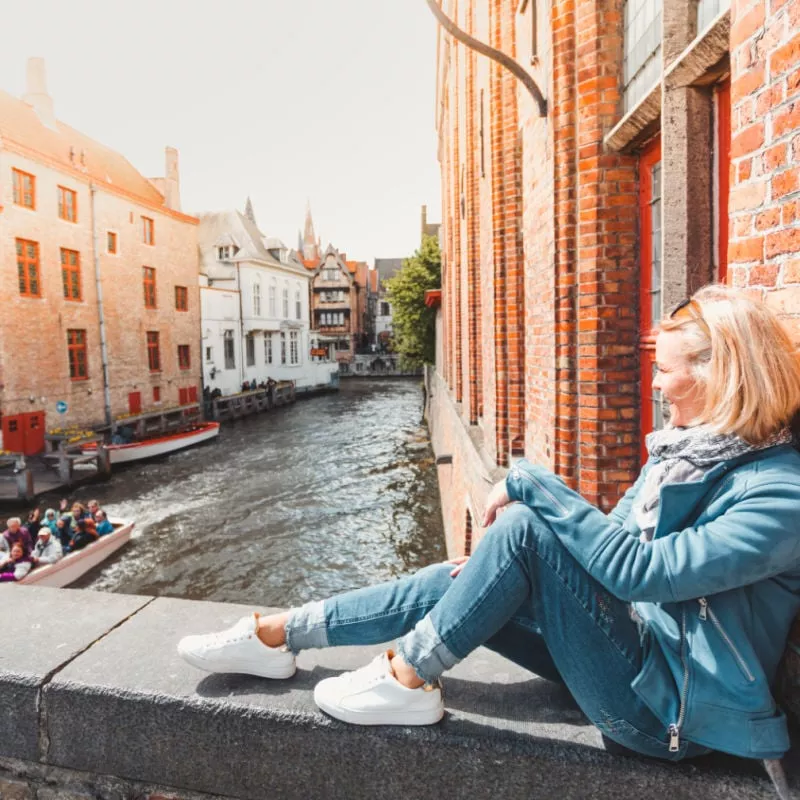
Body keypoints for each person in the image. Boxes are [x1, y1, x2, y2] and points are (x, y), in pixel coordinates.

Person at [178, 286, 800, 787]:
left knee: (525, 529)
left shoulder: (779, 494)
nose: (655, 385)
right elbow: (605, 546)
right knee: (458, 577)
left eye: (664, 370)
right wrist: (495, 571)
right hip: (633, 651)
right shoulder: (682, 455)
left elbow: (638, 572)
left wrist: (530, 480)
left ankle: (407, 678)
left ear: (723, 376)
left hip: (671, 717)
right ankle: (278, 634)